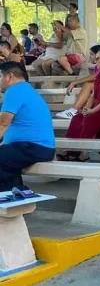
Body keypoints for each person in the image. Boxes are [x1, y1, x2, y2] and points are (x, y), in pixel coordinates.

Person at [58, 47, 100, 161]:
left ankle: (80, 152)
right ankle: (71, 149)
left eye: (98, 58)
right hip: (99, 108)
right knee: (77, 118)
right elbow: (93, 95)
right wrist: (86, 108)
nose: (95, 61)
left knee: (89, 120)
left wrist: (93, 111)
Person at [0, 62, 55, 191]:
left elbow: (3, 123)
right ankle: (17, 200)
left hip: (33, 147)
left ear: (9, 76)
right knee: (6, 162)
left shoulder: (15, 90)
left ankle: (9, 201)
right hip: (35, 148)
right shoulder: (26, 89)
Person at [55, 45, 100, 119]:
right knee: (86, 87)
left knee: (88, 85)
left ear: (98, 55)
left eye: (91, 54)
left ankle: (73, 111)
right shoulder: (96, 66)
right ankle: (79, 111)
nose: (90, 56)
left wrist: (74, 82)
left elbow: (95, 76)